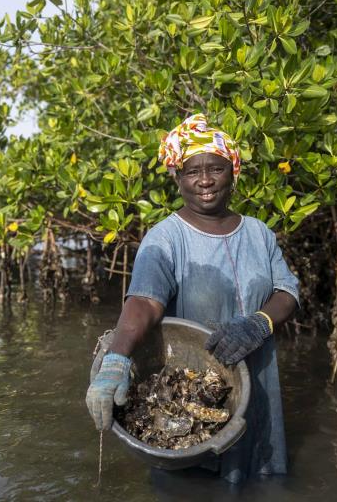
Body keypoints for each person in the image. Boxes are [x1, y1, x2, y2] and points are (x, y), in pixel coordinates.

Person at [85, 114, 299, 484]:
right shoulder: (165, 238)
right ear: (177, 178)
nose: (204, 181)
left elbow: (288, 292)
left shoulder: (260, 233)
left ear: (233, 171)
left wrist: (260, 322)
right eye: (191, 172)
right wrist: (117, 358)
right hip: (195, 394)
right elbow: (144, 302)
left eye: (215, 168)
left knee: (260, 479)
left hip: (257, 383)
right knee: (193, 482)